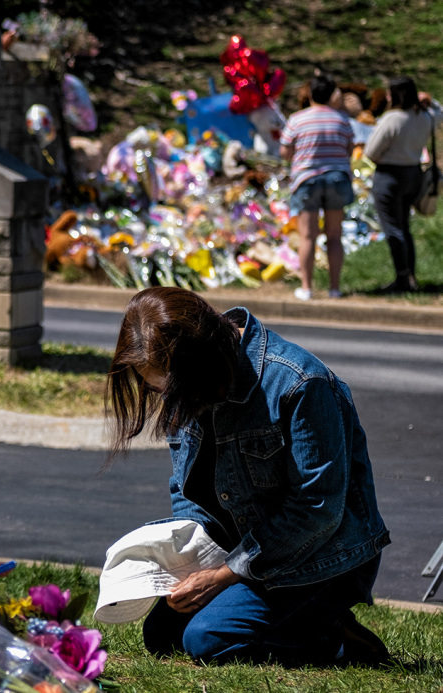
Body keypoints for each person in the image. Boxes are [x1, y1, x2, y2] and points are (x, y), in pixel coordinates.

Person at [106, 287, 391, 666]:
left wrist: (225, 575)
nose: (160, 396)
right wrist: (185, 556)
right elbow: (185, 489)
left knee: (207, 640)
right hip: (246, 555)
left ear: (200, 364)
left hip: (322, 557)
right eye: (154, 387)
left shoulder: (300, 383)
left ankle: (339, 641)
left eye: (167, 388)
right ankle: (301, 621)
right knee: (163, 635)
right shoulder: (190, 380)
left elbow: (318, 509)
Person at [363, 76, 443, 293]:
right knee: (405, 227)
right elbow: (441, 111)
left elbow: (371, 152)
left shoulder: (393, 119)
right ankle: (411, 276)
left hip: (389, 175)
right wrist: (430, 99)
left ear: (395, 95)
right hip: (414, 173)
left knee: (392, 228)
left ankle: (402, 278)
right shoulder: (425, 116)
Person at [279, 74, 355, 301]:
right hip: (337, 179)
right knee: (334, 236)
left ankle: (307, 288)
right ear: (332, 94)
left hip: (307, 180)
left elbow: (285, 152)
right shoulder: (342, 120)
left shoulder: (297, 119)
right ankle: (334, 288)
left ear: (310, 94)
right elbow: (349, 149)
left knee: (308, 237)